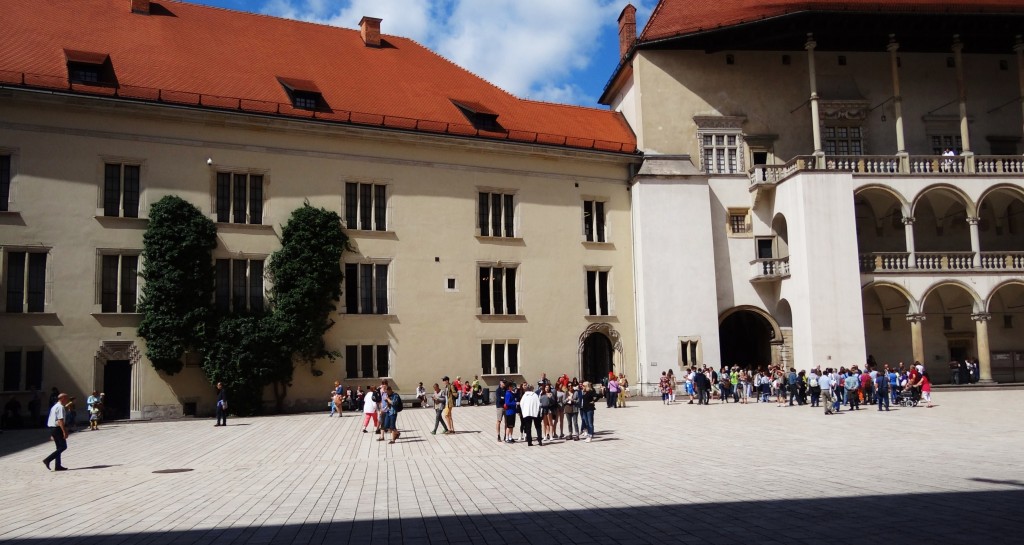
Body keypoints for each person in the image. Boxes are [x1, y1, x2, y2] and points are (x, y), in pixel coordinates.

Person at [42, 392, 69, 471]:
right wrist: (64, 431)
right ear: (62, 398)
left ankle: (58, 465)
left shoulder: (54, 407)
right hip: (57, 428)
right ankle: (48, 460)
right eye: (66, 398)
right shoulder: (60, 407)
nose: (67, 400)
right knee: (63, 447)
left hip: (52, 428)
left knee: (58, 447)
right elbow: (60, 420)